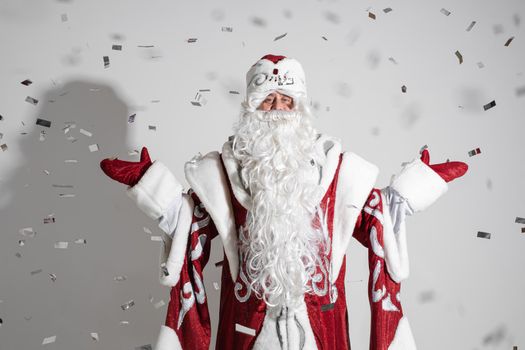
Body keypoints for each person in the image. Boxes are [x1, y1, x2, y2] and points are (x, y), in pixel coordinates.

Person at [100, 54, 468, 350]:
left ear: (301, 109)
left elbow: (376, 217)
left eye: (287, 100)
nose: (277, 108)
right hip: (247, 328)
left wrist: (414, 187)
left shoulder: (337, 174)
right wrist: (150, 183)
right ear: (251, 109)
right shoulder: (226, 176)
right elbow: (188, 223)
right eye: (268, 100)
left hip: (321, 327)